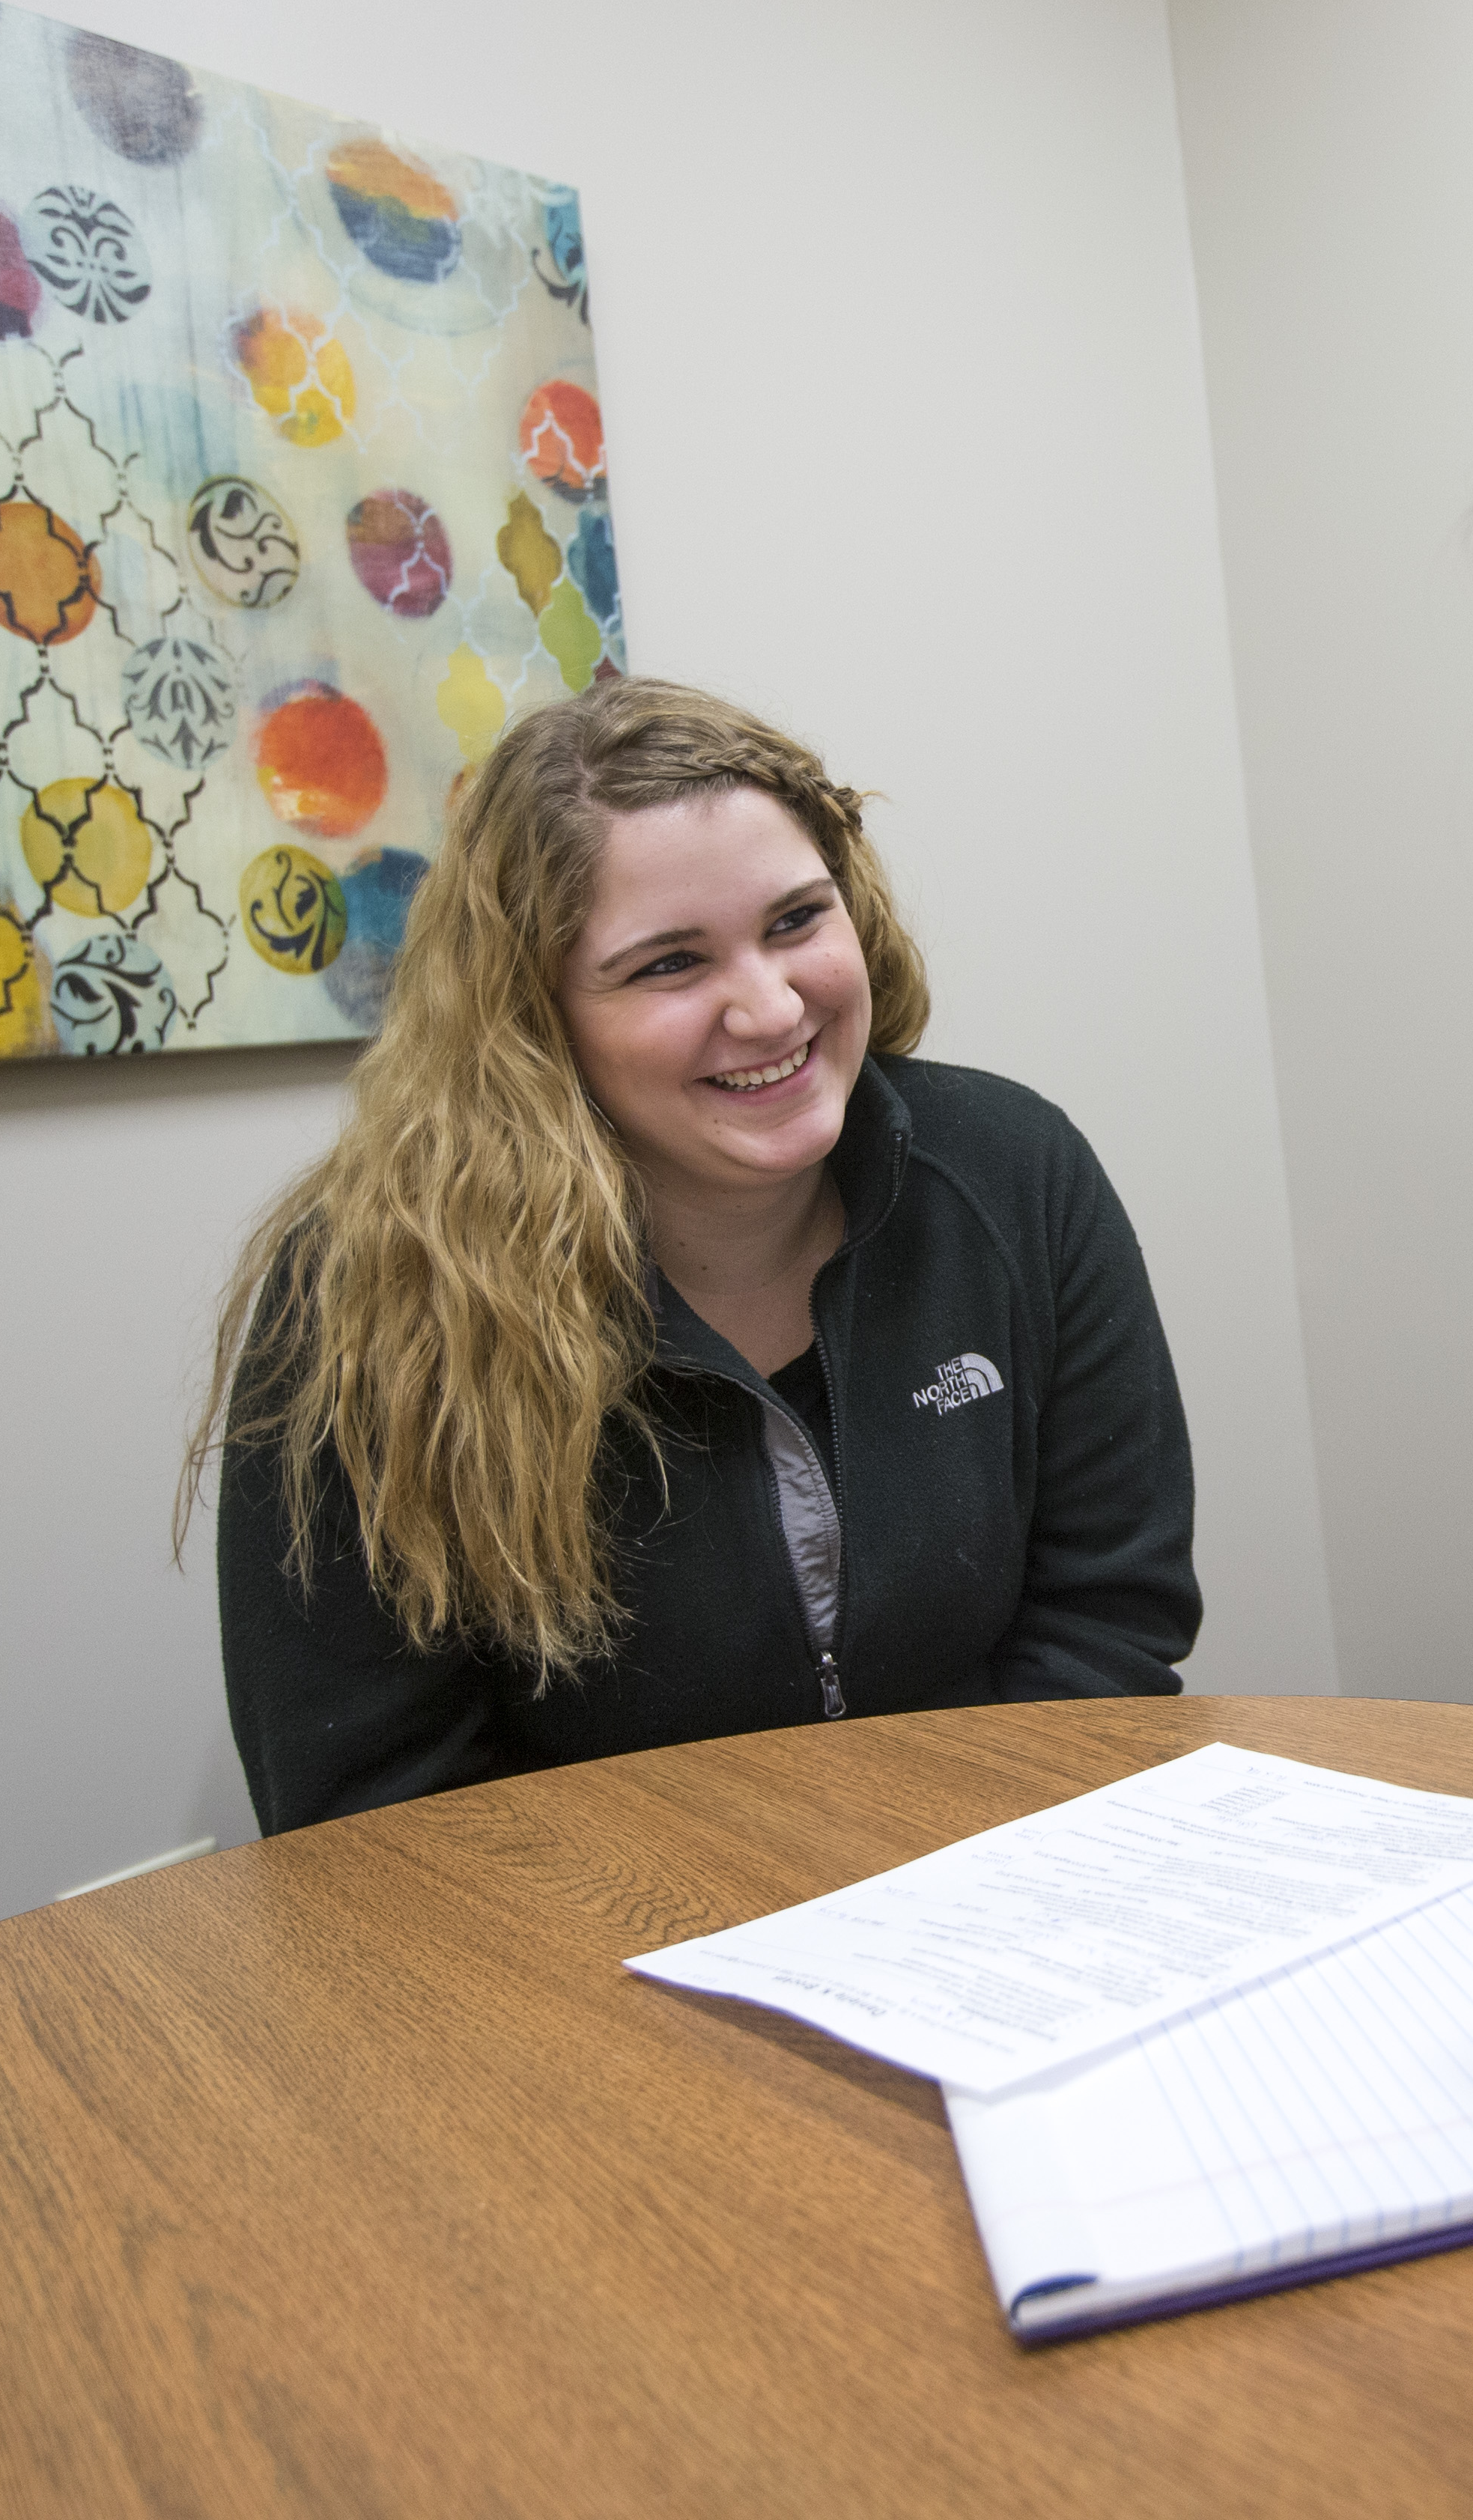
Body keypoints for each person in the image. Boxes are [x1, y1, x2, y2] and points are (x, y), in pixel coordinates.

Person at [190, 676, 1199, 1834]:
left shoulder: (1016, 1174)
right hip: (589, 1967)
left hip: (1000, 1884)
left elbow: (1109, 1622)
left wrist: (948, 1897)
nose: (770, 1010)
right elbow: (371, 1811)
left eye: (795, 922)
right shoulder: (372, 1297)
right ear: (534, 1015)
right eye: (670, 964)